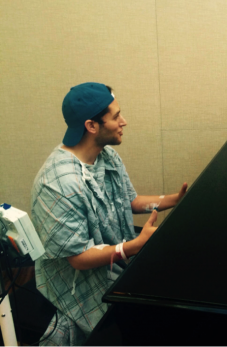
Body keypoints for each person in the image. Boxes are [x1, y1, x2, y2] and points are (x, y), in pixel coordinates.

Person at [31, 82, 188, 346]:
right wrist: (134, 246)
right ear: (92, 126)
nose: (123, 122)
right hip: (75, 282)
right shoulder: (58, 184)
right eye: (116, 117)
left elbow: (132, 201)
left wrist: (176, 200)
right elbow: (79, 259)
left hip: (116, 261)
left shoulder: (108, 156)